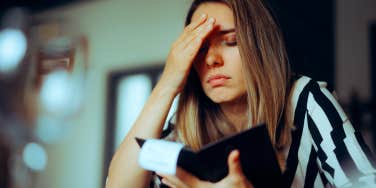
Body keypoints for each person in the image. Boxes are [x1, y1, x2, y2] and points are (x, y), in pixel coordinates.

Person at [105, 0, 376, 187]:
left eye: (231, 41)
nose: (211, 59)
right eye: (199, 49)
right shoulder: (181, 133)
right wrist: (167, 84)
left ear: (259, 46)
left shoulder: (306, 101)